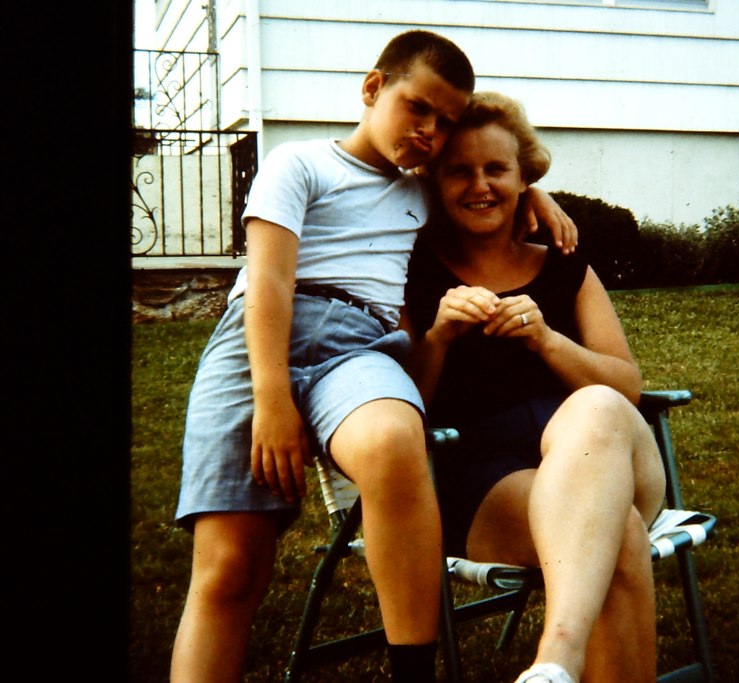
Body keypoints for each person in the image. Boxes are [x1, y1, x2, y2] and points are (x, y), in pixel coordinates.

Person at [170, 32, 576, 683]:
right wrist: (273, 399)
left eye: (444, 122)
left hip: (360, 347)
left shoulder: (423, 193)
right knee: (229, 568)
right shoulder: (298, 163)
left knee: (393, 438)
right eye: (418, 108)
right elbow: (268, 283)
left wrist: (534, 192)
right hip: (256, 347)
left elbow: (484, 185)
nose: (430, 132)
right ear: (372, 88)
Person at [403, 92, 667, 683]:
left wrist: (547, 340)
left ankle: (557, 658)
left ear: (524, 177)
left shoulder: (564, 265)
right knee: (612, 532)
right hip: (486, 480)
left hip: (611, 454)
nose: (480, 185)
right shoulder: (416, 273)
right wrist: (439, 336)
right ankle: (558, 663)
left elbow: (627, 385)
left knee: (596, 403)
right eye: (460, 171)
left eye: (496, 169)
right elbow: (404, 408)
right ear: (434, 182)